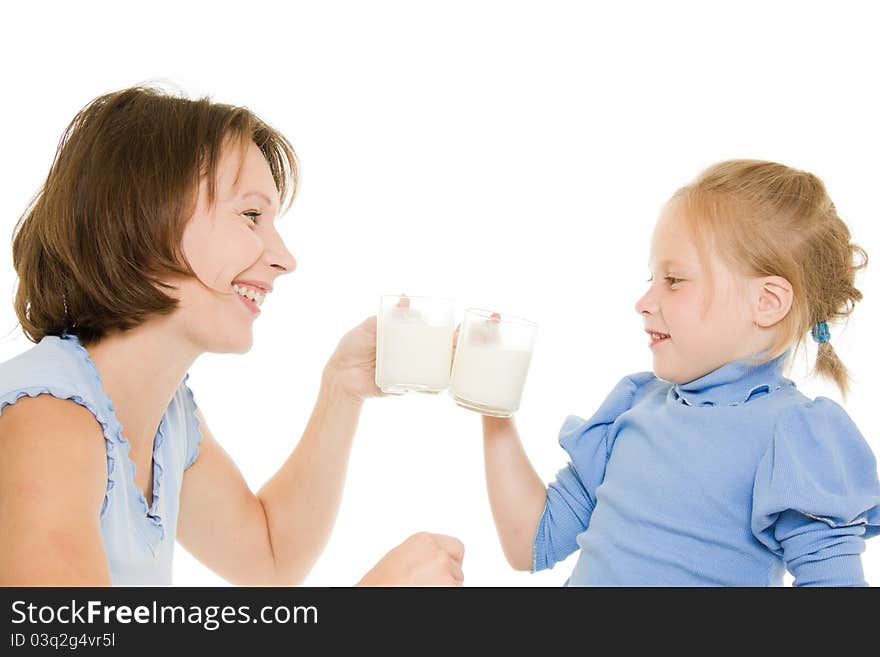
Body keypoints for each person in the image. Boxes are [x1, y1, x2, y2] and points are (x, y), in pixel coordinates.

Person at [0, 86, 465, 586]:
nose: (284, 258)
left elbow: (269, 558)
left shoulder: (167, 420)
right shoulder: (47, 423)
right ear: (144, 217)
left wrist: (342, 389)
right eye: (250, 216)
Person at [473, 160, 880, 586]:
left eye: (673, 279)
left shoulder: (794, 433)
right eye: (653, 278)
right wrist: (494, 408)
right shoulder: (632, 405)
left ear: (767, 302)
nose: (644, 301)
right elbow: (531, 543)